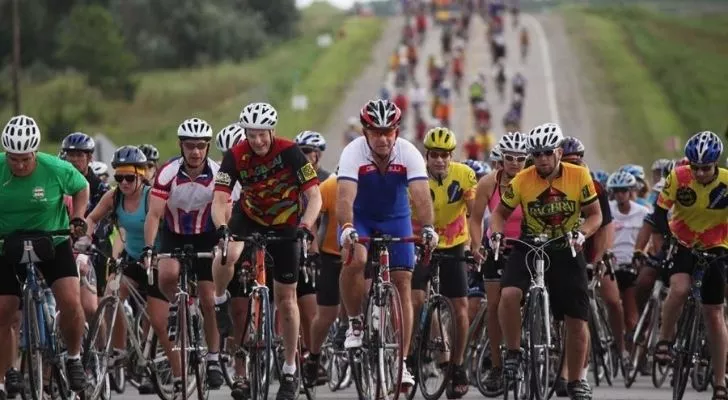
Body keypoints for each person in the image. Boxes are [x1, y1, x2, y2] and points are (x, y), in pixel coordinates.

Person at [211, 102, 322, 400]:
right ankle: (219, 299)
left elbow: (314, 196)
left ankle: (288, 370)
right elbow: (220, 199)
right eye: (251, 134)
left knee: (287, 300)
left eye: (262, 134)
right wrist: (221, 226)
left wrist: (306, 226)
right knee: (227, 252)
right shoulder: (235, 156)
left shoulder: (290, 152)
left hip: (286, 223)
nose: (257, 141)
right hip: (248, 218)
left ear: (272, 131)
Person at [490, 123, 602, 400]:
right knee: (509, 294)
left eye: (548, 153)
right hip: (531, 244)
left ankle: (576, 380)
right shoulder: (523, 179)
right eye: (537, 154)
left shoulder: (579, 175)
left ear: (559, 152)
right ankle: (514, 352)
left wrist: (582, 234)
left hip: (566, 246)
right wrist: (496, 235)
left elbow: (595, 215)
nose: (542, 159)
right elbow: (500, 214)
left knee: (577, 318)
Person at [336, 99, 437, 389]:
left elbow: (420, 196)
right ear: (365, 132)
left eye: (388, 132)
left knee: (403, 281)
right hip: (360, 218)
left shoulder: (409, 153)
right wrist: (345, 228)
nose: (382, 138)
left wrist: (428, 227)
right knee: (355, 258)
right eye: (376, 132)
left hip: (396, 218)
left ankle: (401, 363)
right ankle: (355, 321)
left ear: (396, 131)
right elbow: (344, 198)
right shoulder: (353, 152)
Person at [0, 115, 90, 395]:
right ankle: (8, 371)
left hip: (52, 239)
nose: (20, 165)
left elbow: (81, 188)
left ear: (35, 152)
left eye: (25, 159)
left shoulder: (56, 168)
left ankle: (73, 357)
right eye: (13, 159)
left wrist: (77, 218)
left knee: (71, 300)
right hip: (7, 243)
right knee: (3, 309)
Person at [84, 146, 179, 395]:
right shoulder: (114, 198)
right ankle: (118, 351)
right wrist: (84, 238)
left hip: (159, 261)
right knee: (110, 296)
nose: (123, 182)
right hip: (134, 260)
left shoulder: (152, 196)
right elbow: (92, 219)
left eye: (129, 177)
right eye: (119, 177)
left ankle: (179, 374)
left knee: (158, 322)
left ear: (141, 175)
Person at [142, 117, 225, 395]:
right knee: (166, 274)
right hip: (174, 232)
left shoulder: (217, 173)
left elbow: (224, 210)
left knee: (208, 298)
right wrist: (149, 248)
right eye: (190, 146)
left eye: (201, 146)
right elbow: (154, 214)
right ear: (181, 145)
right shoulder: (167, 173)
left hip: (206, 233)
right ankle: (179, 303)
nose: (195, 152)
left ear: (207, 147)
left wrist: (222, 238)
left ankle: (213, 357)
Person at [650, 131, 728, 400]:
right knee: (680, 288)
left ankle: (720, 381)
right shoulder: (679, 176)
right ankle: (664, 339)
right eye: (695, 167)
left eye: (706, 168)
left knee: (714, 313)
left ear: (716, 164)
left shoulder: (727, 183)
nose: (700, 173)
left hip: (718, 246)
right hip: (684, 242)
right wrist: (667, 237)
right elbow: (659, 211)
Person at [411, 128, 475, 398]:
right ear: (427, 155)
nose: (439, 160)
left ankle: (458, 365)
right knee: (414, 298)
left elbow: (473, 211)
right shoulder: (414, 177)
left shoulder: (464, 174)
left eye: (444, 155)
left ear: (452, 156)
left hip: (454, 241)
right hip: (420, 240)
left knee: (460, 308)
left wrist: (475, 244)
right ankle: (412, 353)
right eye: (434, 155)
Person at [557, 136, 623, 392]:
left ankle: (578, 373)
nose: (574, 165)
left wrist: (601, 258)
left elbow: (606, 226)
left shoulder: (594, 186)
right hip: (563, 252)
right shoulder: (554, 183)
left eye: (578, 161)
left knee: (606, 299)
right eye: (568, 161)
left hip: (590, 250)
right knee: (563, 315)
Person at [469, 132, 528, 395]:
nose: (515, 164)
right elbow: (475, 218)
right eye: (510, 158)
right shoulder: (487, 184)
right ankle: (495, 364)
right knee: (493, 306)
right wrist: (475, 244)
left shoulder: (532, 182)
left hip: (526, 245)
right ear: (501, 160)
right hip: (496, 246)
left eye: (520, 159)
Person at [606, 171, 649, 343]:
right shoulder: (608, 210)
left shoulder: (643, 212)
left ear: (631, 191)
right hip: (611, 267)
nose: (620, 194)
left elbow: (649, 239)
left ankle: (630, 356)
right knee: (613, 306)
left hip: (632, 267)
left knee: (631, 317)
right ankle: (616, 346)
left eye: (623, 190)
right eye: (616, 191)